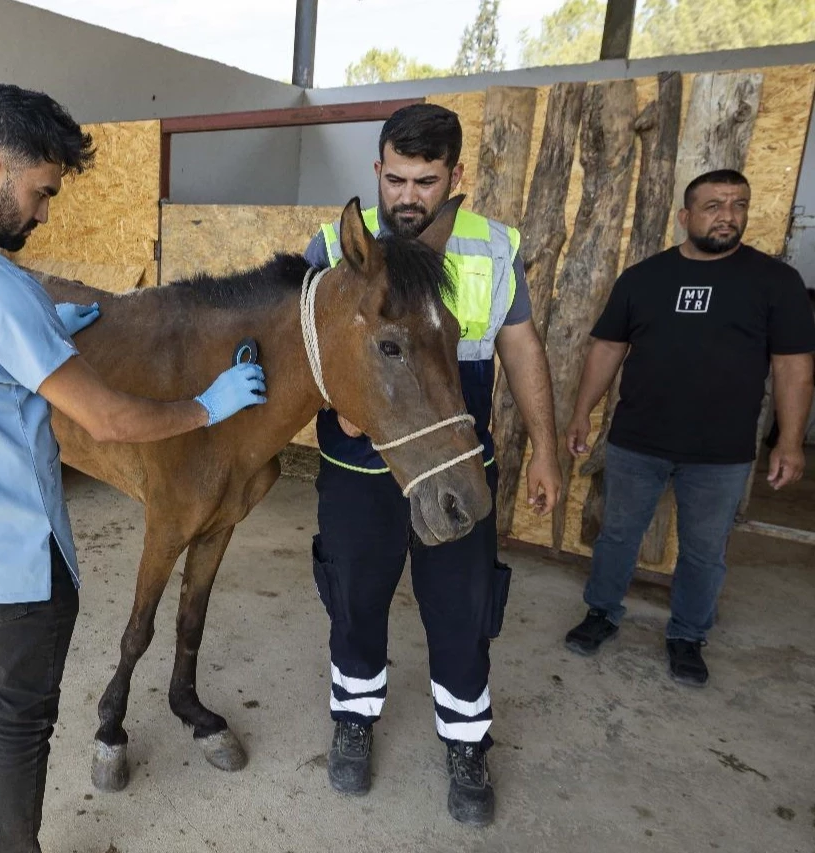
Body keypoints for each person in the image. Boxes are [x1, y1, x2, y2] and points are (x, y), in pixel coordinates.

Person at [0, 82, 267, 853]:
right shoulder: (1, 290)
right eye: (41, 191)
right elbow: (112, 419)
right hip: (20, 556)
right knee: (23, 721)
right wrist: (207, 406)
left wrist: (44, 329)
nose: (46, 211)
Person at [303, 103, 560, 826]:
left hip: (453, 467)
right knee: (354, 600)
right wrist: (337, 393)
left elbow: (522, 348)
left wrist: (544, 446)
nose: (406, 196)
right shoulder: (335, 245)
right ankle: (354, 721)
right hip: (359, 472)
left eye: (425, 180)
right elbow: (300, 343)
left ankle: (467, 741)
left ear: (456, 176)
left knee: (462, 609)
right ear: (377, 171)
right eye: (394, 178)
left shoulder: (489, 247)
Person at [563, 169, 815, 687]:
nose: (728, 215)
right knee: (618, 535)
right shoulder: (643, 278)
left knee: (704, 551)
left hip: (721, 453)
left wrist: (790, 440)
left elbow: (793, 365)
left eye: (738, 204)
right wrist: (581, 411)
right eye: (714, 205)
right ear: (685, 216)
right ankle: (602, 613)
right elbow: (608, 348)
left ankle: (687, 635)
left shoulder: (775, 282)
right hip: (638, 440)